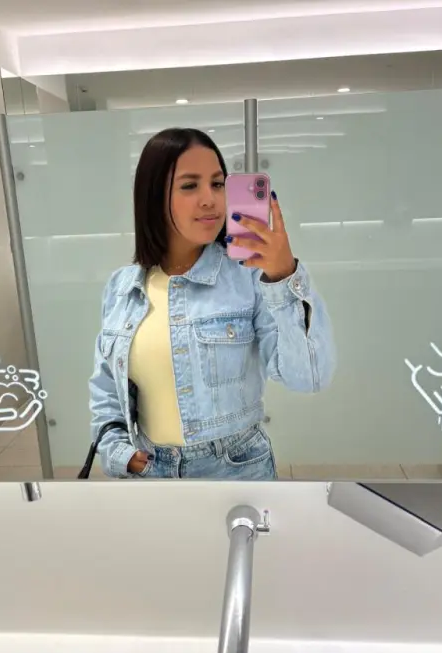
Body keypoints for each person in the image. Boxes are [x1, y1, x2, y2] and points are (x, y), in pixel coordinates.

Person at [89, 127, 335, 480]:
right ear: (153, 196)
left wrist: (284, 277)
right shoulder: (122, 288)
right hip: (150, 472)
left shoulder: (249, 279)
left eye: (218, 184)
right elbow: (106, 390)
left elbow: (308, 378)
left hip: (236, 471)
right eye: (190, 185)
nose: (210, 199)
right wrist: (119, 454)